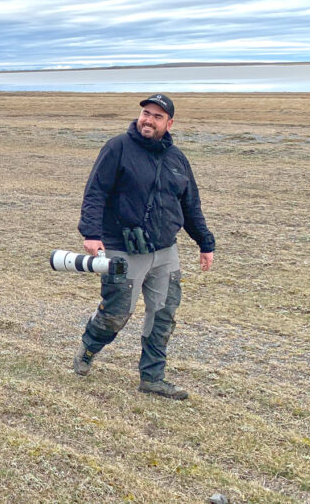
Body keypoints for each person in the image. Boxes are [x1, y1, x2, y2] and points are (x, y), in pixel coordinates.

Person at [73, 94, 215, 400]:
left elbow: (190, 206)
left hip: (165, 251)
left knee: (163, 314)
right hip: (123, 249)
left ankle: (152, 378)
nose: (148, 120)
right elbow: (95, 191)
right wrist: (91, 233)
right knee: (116, 314)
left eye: (157, 116)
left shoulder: (177, 159)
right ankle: (88, 348)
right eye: (146, 114)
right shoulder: (118, 148)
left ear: (170, 123)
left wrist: (205, 242)